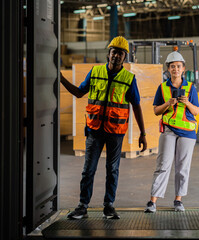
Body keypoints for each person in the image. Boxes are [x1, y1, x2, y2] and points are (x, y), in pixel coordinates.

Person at [60, 36, 147, 219]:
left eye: (121, 53)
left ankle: (109, 206)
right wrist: (60, 78)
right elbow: (78, 92)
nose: (116, 56)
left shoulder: (129, 79)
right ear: (108, 54)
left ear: (124, 57)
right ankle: (82, 206)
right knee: (88, 169)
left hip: (116, 133)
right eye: (114, 52)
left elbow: (137, 106)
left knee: (112, 170)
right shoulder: (95, 72)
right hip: (94, 130)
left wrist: (143, 134)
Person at [144, 51, 199, 213]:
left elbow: (196, 111)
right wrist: (168, 103)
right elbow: (156, 111)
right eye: (172, 66)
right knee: (163, 165)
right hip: (169, 130)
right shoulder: (162, 88)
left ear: (183, 69)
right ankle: (153, 200)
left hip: (187, 133)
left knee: (182, 167)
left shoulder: (191, 88)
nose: (175, 69)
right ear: (168, 69)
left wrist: (187, 102)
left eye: (178, 66)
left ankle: (178, 200)